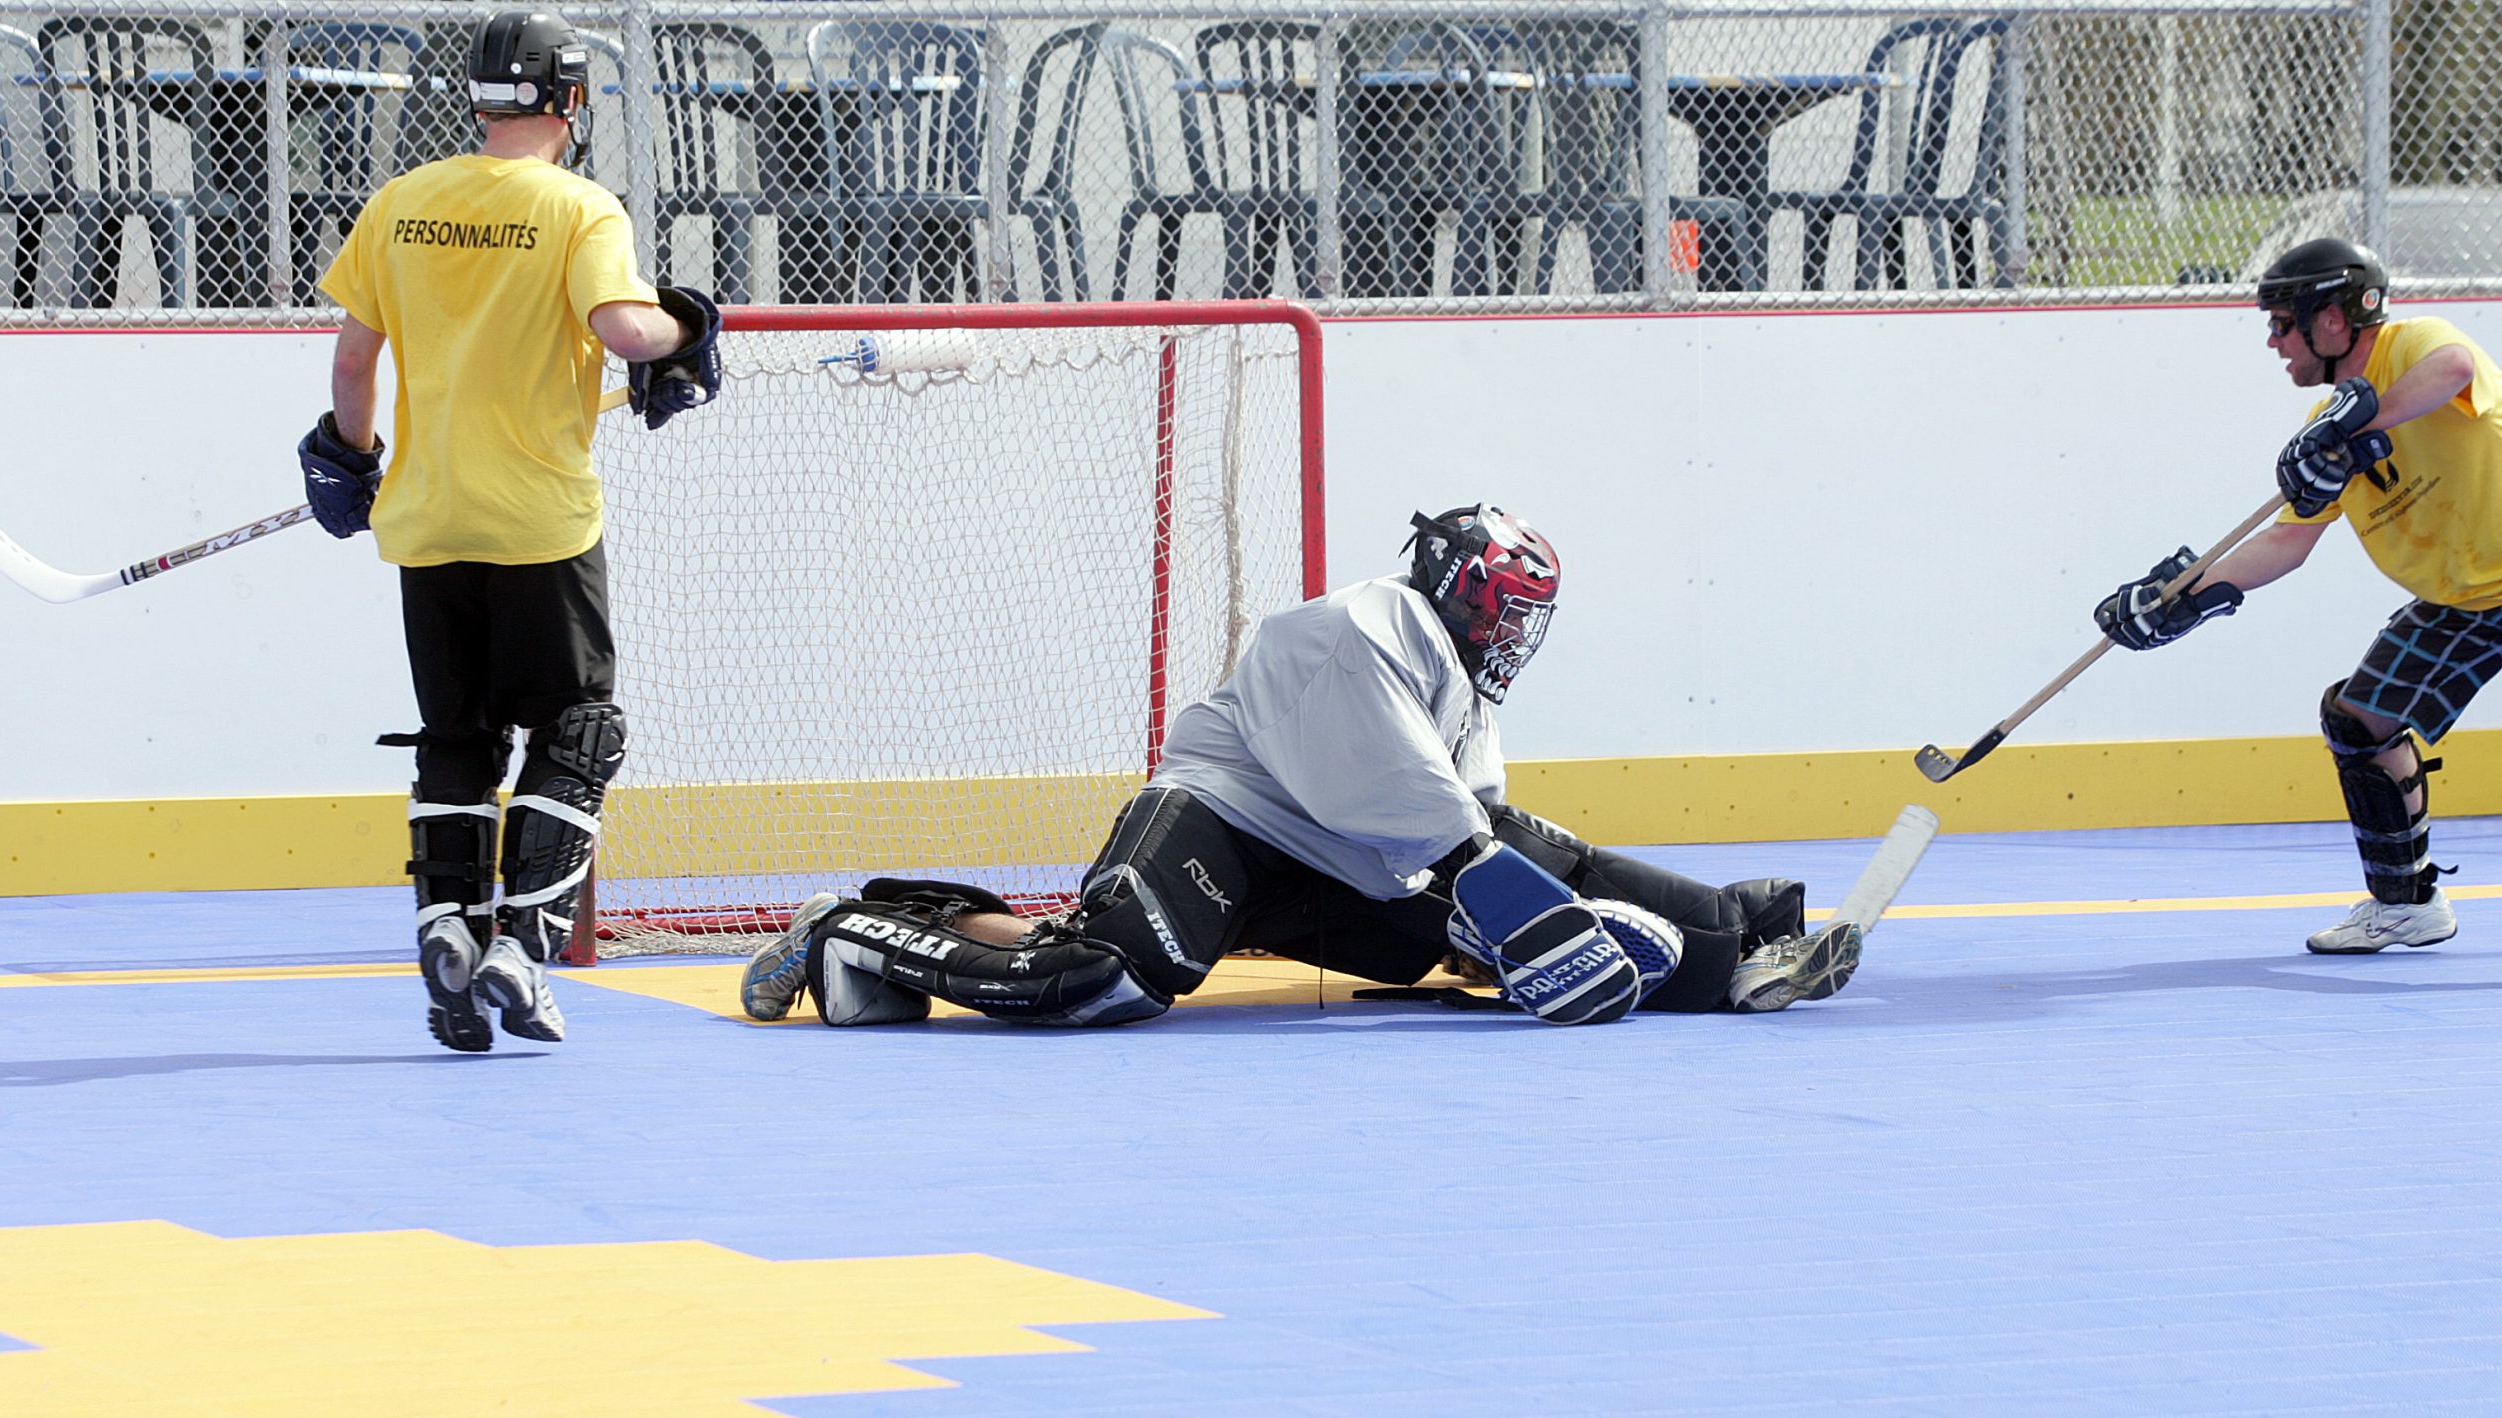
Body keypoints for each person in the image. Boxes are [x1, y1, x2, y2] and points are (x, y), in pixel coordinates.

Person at [738, 504, 1865, 1030]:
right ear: (1464, 584)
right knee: (1096, 980)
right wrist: (1502, 909)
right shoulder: (1358, 625)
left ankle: (1738, 934)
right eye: (1508, 609)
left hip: (1346, 872)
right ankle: (855, 921)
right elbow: (1402, 806)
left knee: (1516, 897)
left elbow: (1487, 828)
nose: (1517, 635)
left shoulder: (1460, 682)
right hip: (1228, 822)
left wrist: (1711, 946)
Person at [302, 10, 723, 1051]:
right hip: (539, 521)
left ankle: (447, 923)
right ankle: (521, 943)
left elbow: (353, 367)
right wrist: (690, 325)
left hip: (428, 520)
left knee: (458, 739)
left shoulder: (402, 202)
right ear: (570, 102)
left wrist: (350, 458)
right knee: (577, 733)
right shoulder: (580, 208)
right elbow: (625, 331)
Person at [2091, 237, 2499, 954]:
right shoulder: (2318, 440)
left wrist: (2358, 427)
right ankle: (2408, 902)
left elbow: (2456, 368)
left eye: (2283, 322)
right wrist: (2180, 599)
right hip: (2467, 603)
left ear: (2336, 320)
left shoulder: (2415, 347)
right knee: (2359, 719)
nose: (2275, 342)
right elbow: (2286, 542)